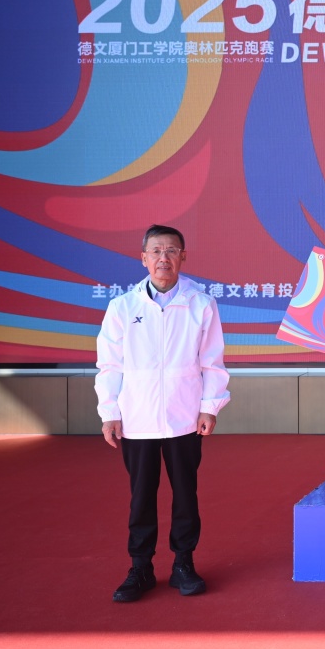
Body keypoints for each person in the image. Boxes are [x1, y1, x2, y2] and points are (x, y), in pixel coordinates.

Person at [96, 224, 231, 602]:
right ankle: (140, 567)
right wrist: (109, 411)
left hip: (184, 415)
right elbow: (109, 365)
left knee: (185, 493)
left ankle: (183, 563)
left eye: (171, 251)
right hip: (136, 417)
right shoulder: (123, 307)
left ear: (183, 256)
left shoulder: (201, 304)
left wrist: (209, 407)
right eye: (156, 251)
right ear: (143, 258)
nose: (163, 258)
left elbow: (212, 362)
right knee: (141, 496)